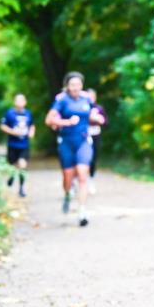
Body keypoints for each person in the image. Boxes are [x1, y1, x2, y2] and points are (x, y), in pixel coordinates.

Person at [44, 72, 103, 227]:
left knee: (83, 174)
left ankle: (82, 211)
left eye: (78, 84)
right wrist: (66, 122)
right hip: (66, 142)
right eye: (72, 85)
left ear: (81, 85)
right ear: (67, 86)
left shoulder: (86, 99)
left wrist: (96, 118)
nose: (75, 87)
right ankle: (67, 193)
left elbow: (91, 114)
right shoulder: (62, 100)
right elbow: (49, 120)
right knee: (68, 178)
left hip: (83, 141)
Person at [0, 94, 35, 198]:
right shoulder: (9, 113)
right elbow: (2, 126)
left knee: (22, 165)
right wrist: (12, 132)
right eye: (18, 100)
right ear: (14, 102)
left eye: (22, 100)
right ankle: (11, 176)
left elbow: (32, 125)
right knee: (13, 165)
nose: (20, 102)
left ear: (25, 102)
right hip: (13, 144)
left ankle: (21, 188)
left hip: (24, 145)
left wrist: (31, 132)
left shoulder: (28, 114)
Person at [86, 88, 108, 195]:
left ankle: (91, 180)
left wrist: (100, 119)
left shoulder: (99, 108)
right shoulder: (81, 107)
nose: (90, 99)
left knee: (93, 158)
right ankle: (77, 181)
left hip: (95, 135)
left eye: (92, 96)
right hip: (83, 135)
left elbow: (106, 122)